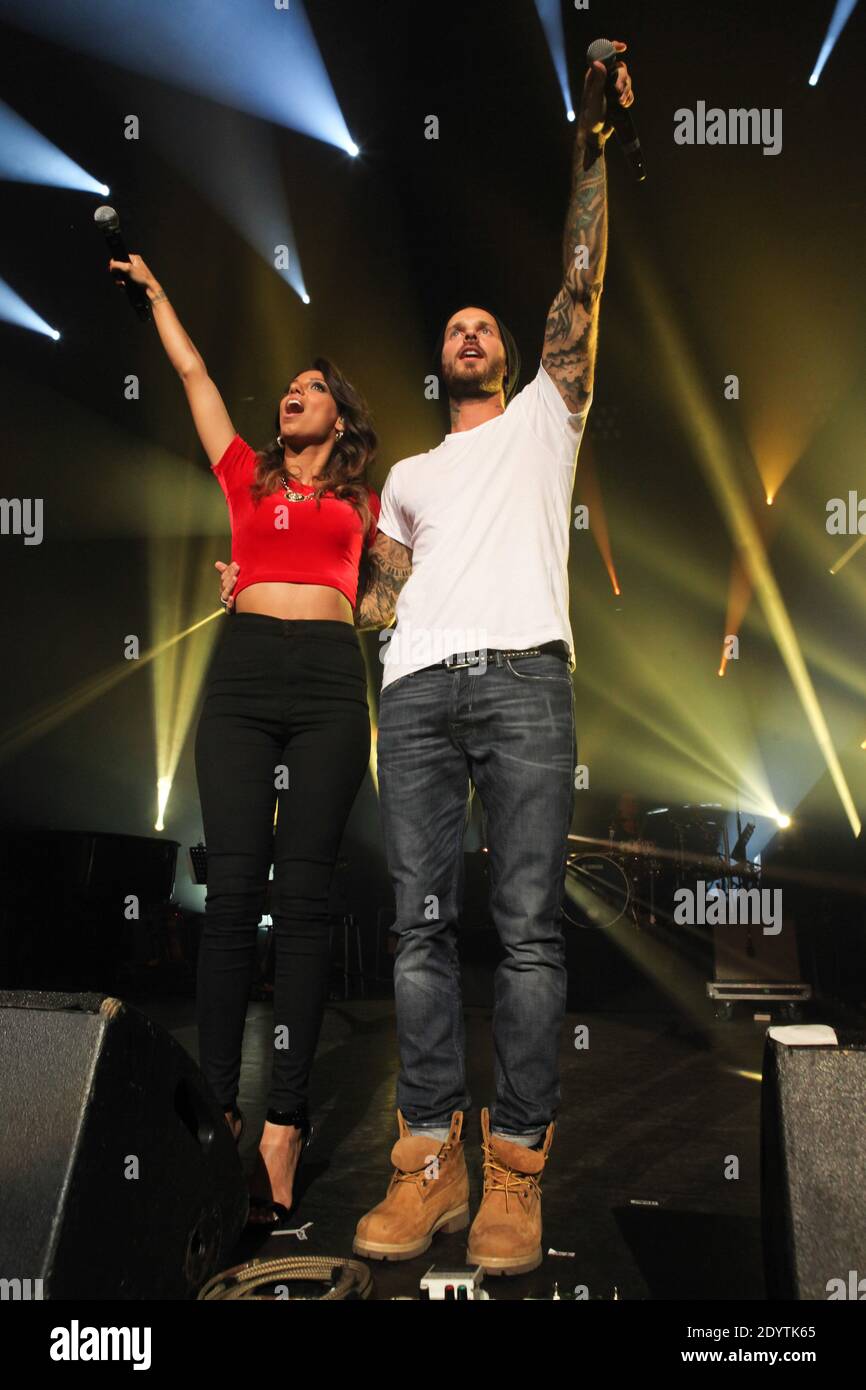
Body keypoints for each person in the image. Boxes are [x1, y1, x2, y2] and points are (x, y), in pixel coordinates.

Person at [219, 44, 634, 1269]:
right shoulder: (400, 475)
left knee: (525, 933)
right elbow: (374, 597)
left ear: (510, 355)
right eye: (450, 326)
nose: (466, 332)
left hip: (523, 680)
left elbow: (578, 285)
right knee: (413, 933)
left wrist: (589, 153)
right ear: (434, 359)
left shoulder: (544, 414)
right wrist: (294, 583)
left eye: (481, 324)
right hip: (411, 696)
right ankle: (427, 1166)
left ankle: (515, 1171)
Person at [107, 250, 398, 1225]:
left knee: (305, 902)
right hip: (239, 679)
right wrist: (157, 293)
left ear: (342, 420)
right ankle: (219, 1119)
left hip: (325, 687)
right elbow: (192, 376)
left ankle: (286, 1124)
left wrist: (381, 603)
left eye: (310, 390)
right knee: (232, 897)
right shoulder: (242, 474)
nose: (291, 396)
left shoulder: (366, 504)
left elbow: (405, 591)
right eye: (286, 388)